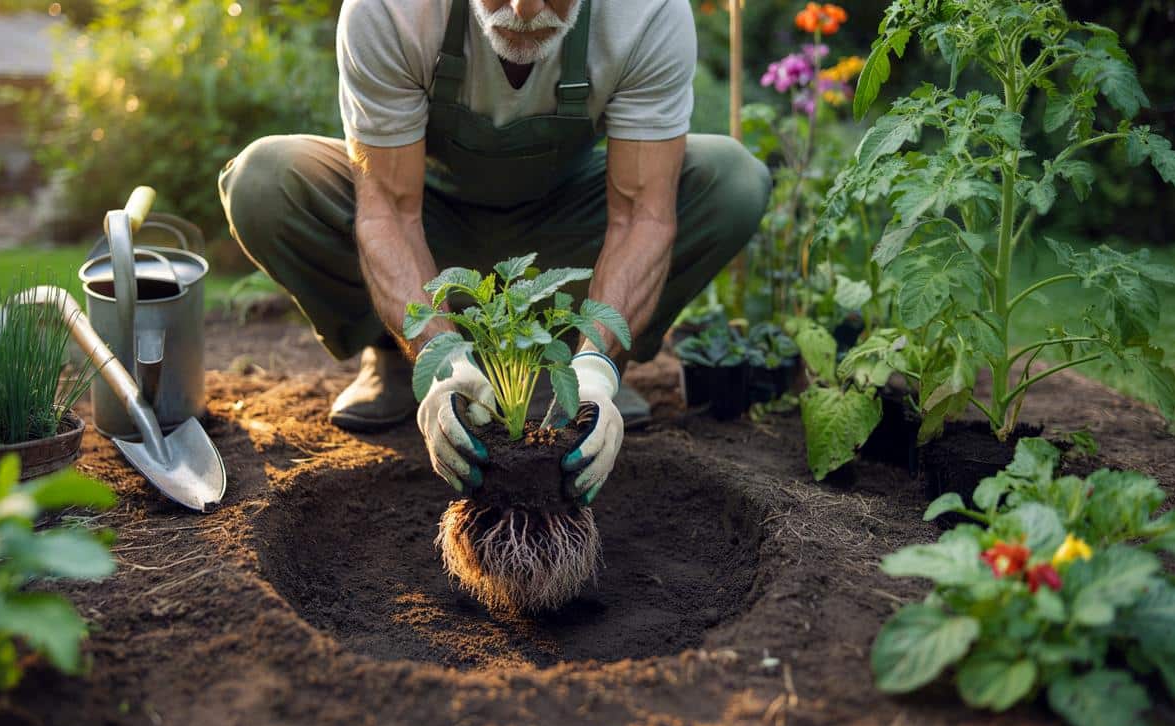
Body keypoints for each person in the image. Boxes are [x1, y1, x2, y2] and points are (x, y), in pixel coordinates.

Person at [218, 0, 771, 505]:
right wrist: (441, 362)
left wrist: (598, 365)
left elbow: (641, 218)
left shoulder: (646, 12)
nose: (523, 10)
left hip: (566, 233)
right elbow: (389, 211)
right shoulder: (389, 9)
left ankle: (580, 371)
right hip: (428, 223)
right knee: (265, 180)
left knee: (732, 179)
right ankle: (397, 358)